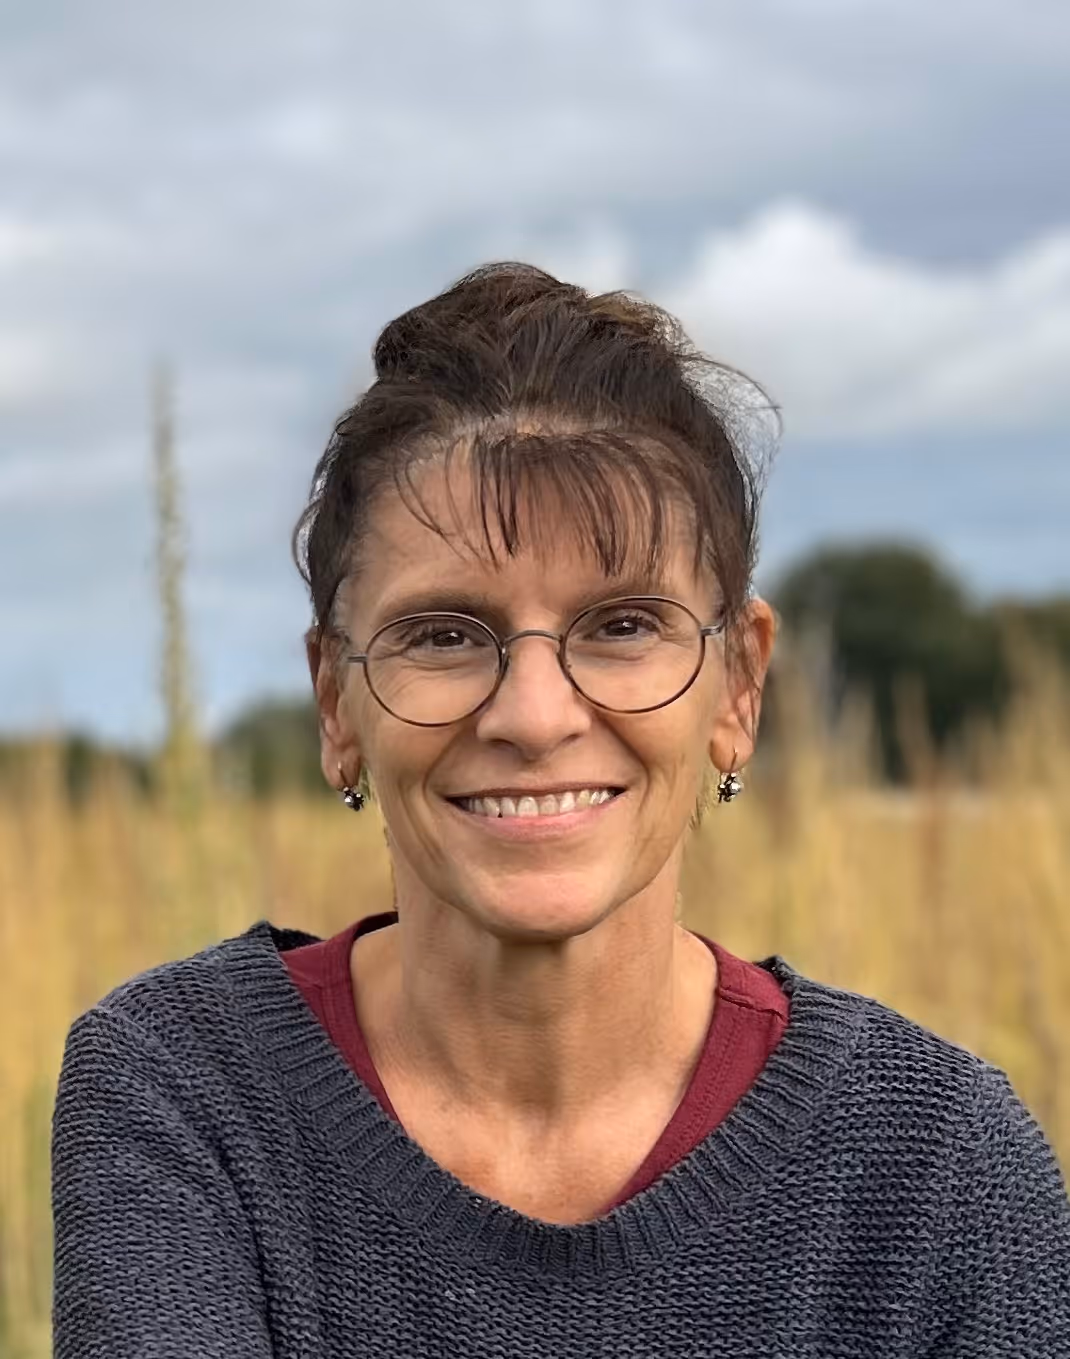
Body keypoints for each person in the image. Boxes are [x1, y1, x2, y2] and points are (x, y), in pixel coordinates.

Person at [51, 264, 1070, 1357]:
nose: (534, 717)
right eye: (441, 634)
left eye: (622, 625)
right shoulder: (187, 1092)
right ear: (333, 703)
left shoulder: (932, 1161)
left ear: (738, 689)